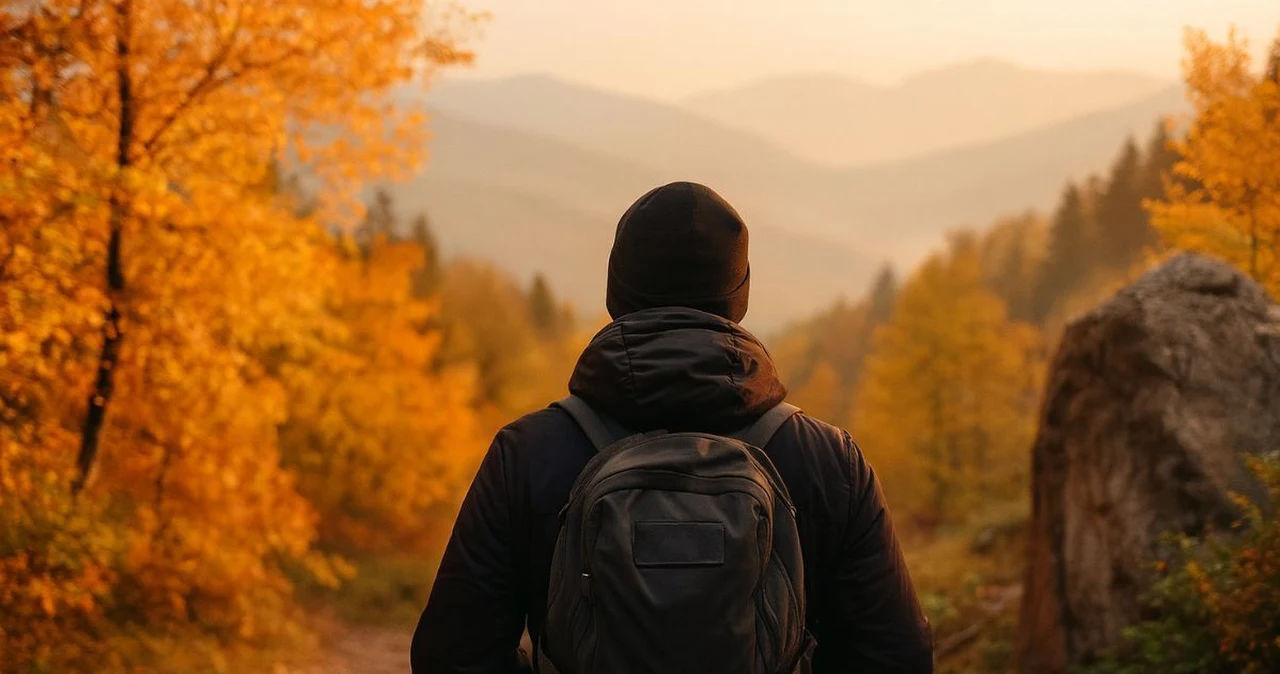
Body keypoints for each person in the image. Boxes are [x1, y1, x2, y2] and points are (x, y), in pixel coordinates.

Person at [411, 181, 934, 673]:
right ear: (739, 298)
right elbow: (895, 656)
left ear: (616, 292)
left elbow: (451, 656)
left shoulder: (528, 454)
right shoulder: (826, 461)